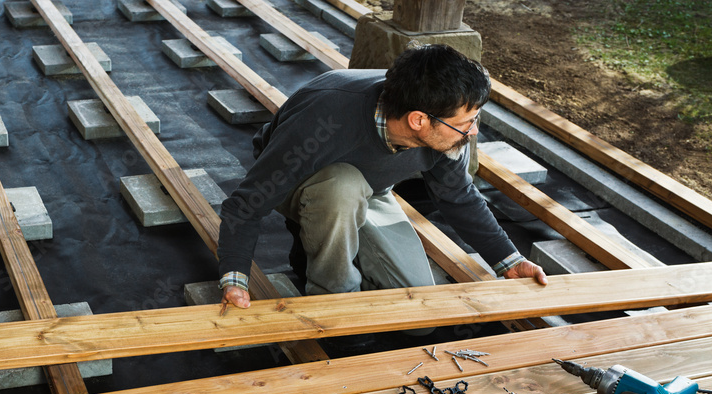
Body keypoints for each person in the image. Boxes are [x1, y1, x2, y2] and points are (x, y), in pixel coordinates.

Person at [216, 43, 548, 312]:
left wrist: (509, 260)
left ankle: (324, 246)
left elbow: (457, 196)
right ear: (418, 120)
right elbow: (246, 206)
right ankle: (332, 298)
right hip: (302, 180)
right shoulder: (324, 119)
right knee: (342, 186)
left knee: (415, 306)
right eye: (466, 124)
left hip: (371, 188)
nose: (473, 132)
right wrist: (234, 278)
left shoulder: (444, 125)